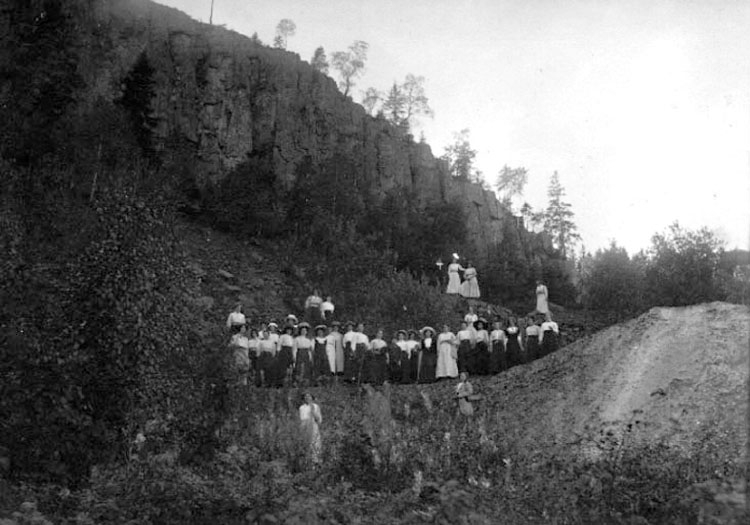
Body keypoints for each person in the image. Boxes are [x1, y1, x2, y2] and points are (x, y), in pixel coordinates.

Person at [299, 392, 323, 465]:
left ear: (312, 398)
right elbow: (302, 419)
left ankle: (316, 461)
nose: (307, 398)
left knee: (315, 443)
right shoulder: (301, 408)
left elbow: (319, 419)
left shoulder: (315, 406)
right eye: (305, 396)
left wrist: (313, 411)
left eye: (309, 396)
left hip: (313, 426)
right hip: (305, 427)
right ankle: (308, 461)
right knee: (306, 444)